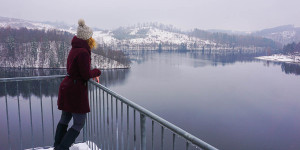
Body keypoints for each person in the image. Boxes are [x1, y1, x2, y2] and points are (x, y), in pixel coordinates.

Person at [54, 19, 101, 150]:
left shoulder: (75, 49)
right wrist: (97, 71)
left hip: (67, 87)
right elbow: (85, 75)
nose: (92, 39)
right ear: (87, 38)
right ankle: (62, 148)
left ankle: (57, 146)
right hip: (75, 91)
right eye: (91, 36)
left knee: (64, 119)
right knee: (79, 123)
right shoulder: (83, 52)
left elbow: (77, 71)